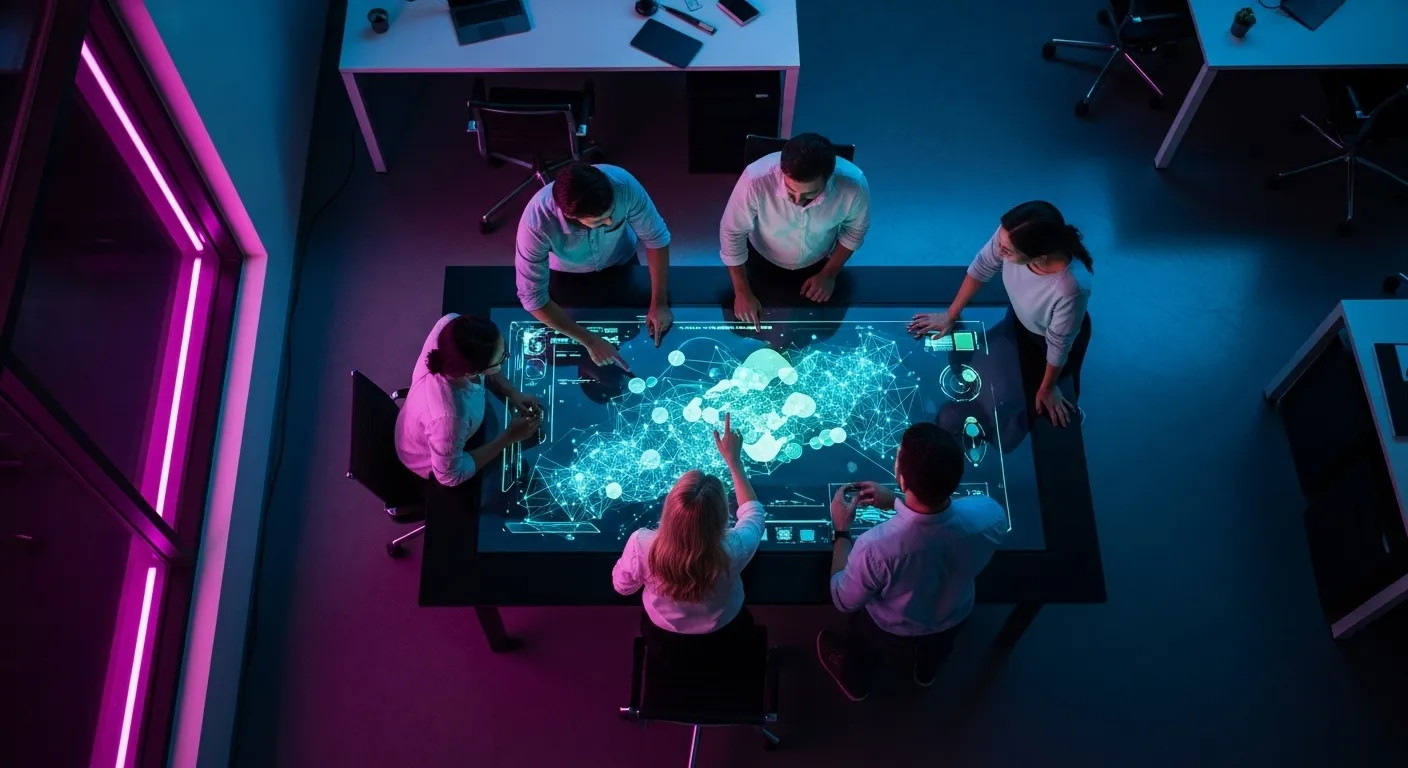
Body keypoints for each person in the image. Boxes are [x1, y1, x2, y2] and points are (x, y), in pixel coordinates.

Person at [818, 423, 1007, 701]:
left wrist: (842, 532)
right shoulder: (989, 514)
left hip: (888, 627)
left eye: (898, 455)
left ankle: (855, 685)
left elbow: (843, 599)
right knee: (938, 650)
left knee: (861, 651)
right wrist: (896, 502)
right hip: (954, 617)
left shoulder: (874, 547)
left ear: (903, 480)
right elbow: (936, 523)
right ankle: (926, 674)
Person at [910, 201, 1093, 427]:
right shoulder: (1009, 234)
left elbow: (1058, 344)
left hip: (1051, 338)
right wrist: (951, 315)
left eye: (1007, 250)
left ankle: (1071, 413)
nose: (999, 248)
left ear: (1039, 256)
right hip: (1018, 317)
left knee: (1055, 392)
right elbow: (982, 266)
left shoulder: (1070, 288)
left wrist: (1047, 387)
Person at [612, 414, 765, 640]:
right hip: (726, 629)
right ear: (722, 514)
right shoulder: (736, 546)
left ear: (670, 509)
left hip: (664, 636)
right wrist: (734, 462)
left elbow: (622, 587)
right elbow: (754, 513)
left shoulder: (641, 544)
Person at [516, 162, 674, 370]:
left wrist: (659, 302)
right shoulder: (536, 222)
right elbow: (533, 298)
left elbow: (656, 238)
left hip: (621, 260)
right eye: (600, 221)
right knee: (570, 331)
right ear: (572, 216)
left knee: (632, 331)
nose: (610, 222)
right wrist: (589, 340)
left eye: (612, 214)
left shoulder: (623, 185)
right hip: (567, 273)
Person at [720, 133, 871, 328]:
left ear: (829, 178)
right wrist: (741, 292)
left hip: (819, 261)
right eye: (791, 192)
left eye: (810, 193)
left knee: (821, 328)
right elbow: (732, 232)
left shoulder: (854, 184)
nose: (798, 201)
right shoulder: (755, 179)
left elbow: (855, 231)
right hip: (759, 258)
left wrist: (829, 273)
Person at [395, 313, 542, 486]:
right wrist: (509, 436)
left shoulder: (450, 327)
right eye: (502, 358)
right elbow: (450, 476)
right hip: (430, 457)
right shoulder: (449, 420)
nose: (506, 357)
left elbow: (487, 362)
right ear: (471, 372)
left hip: (446, 434)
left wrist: (512, 392)